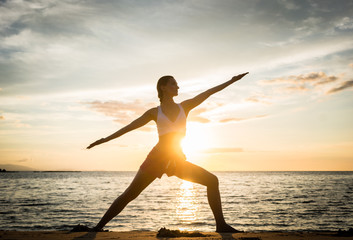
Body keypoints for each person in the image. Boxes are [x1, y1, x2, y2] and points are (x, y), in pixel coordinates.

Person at [87, 72, 249, 232]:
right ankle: (98, 228)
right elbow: (128, 127)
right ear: (163, 88)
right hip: (156, 159)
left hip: (176, 160)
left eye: (176, 83)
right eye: (173, 83)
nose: (177, 86)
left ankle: (221, 225)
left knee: (212, 181)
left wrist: (231, 81)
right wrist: (104, 139)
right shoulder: (154, 112)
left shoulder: (184, 107)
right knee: (129, 194)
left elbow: (208, 92)